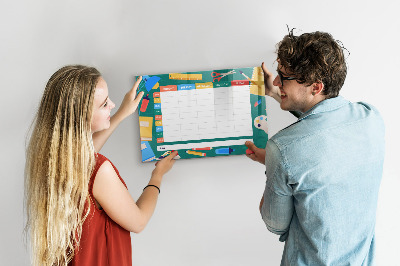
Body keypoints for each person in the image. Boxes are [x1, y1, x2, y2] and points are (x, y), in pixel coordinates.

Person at [246, 30, 385, 265]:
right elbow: (324, 124)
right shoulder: (371, 118)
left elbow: (274, 224)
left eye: (284, 77)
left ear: (316, 86)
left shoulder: (282, 149)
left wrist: (273, 164)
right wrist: (276, 93)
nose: (277, 81)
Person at [24, 65, 178, 266]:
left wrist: (122, 113)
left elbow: (86, 157)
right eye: (105, 104)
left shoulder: (53, 159)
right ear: (82, 117)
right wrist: (157, 175)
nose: (113, 104)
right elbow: (138, 221)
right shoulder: (100, 170)